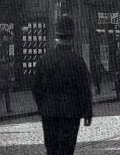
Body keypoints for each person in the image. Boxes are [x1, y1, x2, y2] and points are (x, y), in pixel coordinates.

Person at [32, 14, 92, 155]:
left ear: (56, 36)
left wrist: (43, 106)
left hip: (49, 112)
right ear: (72, 37)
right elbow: (84, 90)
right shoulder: (77, 61)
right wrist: (87, 112)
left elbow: (36, 87)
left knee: (51, 148)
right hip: (71, 113)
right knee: (66, 149)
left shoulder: (44, 60)